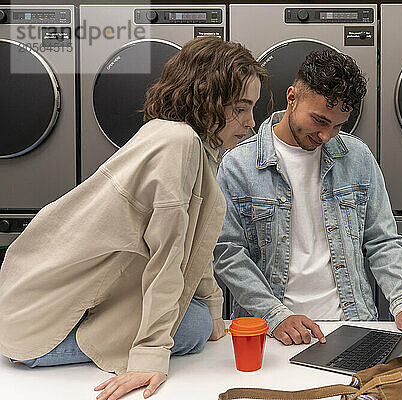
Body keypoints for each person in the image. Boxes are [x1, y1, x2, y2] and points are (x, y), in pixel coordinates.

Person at [0, 36, 268, 399]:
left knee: (199, 318)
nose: (252, 122)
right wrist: (150, 357)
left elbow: (195, 246)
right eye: (241, 107)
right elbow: (168, 257)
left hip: (30, 296)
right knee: (191, 326)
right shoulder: (180, 144)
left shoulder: (179, 139)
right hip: (37, 329)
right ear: (207, 99)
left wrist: (216, 314)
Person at [213, 50, 402, 347]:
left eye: (338, 125)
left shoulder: (356, 156)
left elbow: (382, 240)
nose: (326, 136)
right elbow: (227, 253)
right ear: (291, 97)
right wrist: (276, 314)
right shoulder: (238, 164)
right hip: (272, 330)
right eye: (319, 120)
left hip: (352, 321)